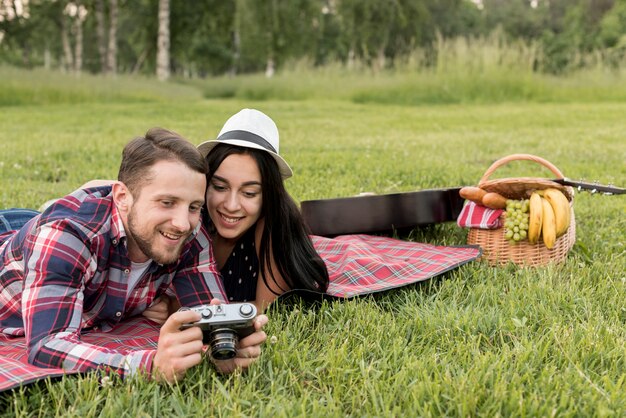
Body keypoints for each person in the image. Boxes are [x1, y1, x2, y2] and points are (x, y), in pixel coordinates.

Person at [0, 128, 268, 383]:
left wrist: (227, 348)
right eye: (167, 202)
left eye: (194, 206)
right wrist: (148, 367)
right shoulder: (65, 237)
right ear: (122, 196)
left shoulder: (191, 232)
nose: (183, 223)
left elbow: (210, 313)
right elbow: (48, 345)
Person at [196, 109, 330, 311]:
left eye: (249, 193)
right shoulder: (193, 215)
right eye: (220, 187)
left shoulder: (272, 226)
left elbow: (264, 309)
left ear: (268, 194)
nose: (231, 205)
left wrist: (184, 310)